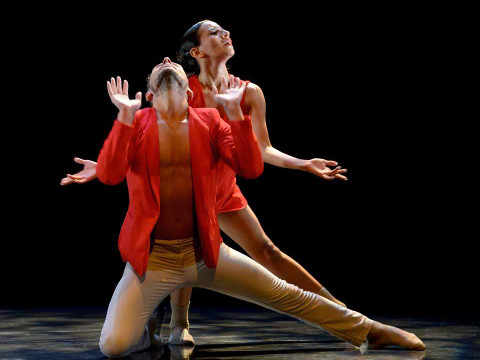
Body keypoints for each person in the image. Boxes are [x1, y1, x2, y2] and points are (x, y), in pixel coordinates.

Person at [96, 59, 425, 358]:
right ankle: (144, 333)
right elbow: (110, 174)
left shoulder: (210, 121)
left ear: (189, 93)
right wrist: (123, 117)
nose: (167, 61)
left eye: (171, 63)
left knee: (287, 294)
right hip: (153, 260)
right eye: (159, 65)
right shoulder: (136, 124)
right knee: (113, 346)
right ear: (150, 95)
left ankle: (370, 329)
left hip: (205, 254)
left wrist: (235, 114)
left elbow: (250, 167)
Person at [62, 19, 349, 345]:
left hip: (224, 191)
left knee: (267, 250)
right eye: (214, 32)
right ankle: (178, 323)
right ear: (196, 51)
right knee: (184, 241)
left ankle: (336, 309)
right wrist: (102, 167)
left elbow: (261, 148)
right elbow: (151, 140)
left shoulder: (249, 91)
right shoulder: (185, 90)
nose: (225, 34)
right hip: (190, 191)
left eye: (224, 30)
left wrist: (303, 164)